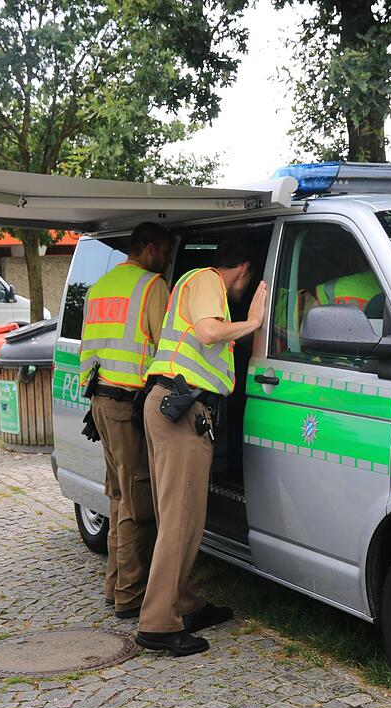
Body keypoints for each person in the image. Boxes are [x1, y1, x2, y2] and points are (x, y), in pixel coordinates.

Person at [136, 238, 267, 656]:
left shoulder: (191, 283)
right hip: (181, 408)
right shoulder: (209, 280)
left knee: (181, 517)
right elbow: (210, 332)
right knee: (180, 520)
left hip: (171, 404)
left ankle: (185, 603)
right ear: (242, 269)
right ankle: (158, 625)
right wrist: (253, 321)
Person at [79, 222, 171, 619]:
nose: (167, 260)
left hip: (100, 402)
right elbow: (169, 344)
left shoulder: (99, 287)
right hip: (130, 403)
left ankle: (115, 586)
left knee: (118, 497)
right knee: (138, 503)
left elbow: (91, 346)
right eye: (165, 251)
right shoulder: (152, 286)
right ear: (149, 248)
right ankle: (131, 596)